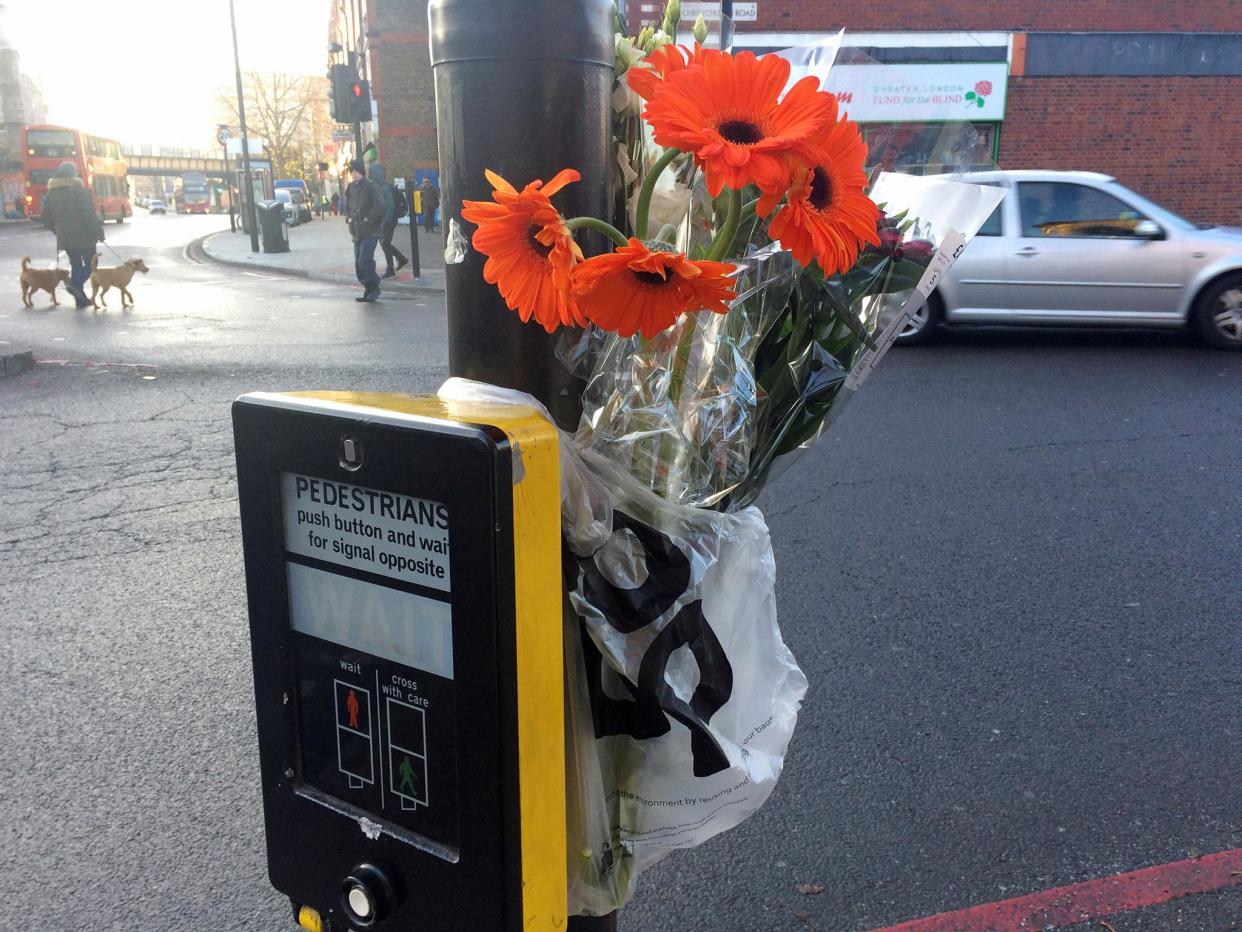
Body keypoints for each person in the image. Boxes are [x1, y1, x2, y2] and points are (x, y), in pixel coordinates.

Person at [41, 161, 103, 309]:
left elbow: (46, 217)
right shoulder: (80, 191)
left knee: (76, 265)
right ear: (74, 174)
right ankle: (74, 284)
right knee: (91, 264)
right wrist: (98, 231)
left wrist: (58, 231)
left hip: (66, 238)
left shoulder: (51, 194)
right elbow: (88, 214)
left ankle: (80, 300)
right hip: (85, 236)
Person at [344, 158, 385, 302]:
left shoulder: (371, 186)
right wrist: (348, 216)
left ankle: (375, 286)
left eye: (356, 171)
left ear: (362, 171)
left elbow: (380, 204)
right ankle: (369, 288)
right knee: (358, 264)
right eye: (352, 171)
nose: (354, 174)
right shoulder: (351, 188)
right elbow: (348, 205)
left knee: (364, 260)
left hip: (370, 230)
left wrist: (369, 217)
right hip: (356, 231)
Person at [368, 162, 408, 279]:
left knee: (384, 243)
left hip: (388, 220)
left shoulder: (384, 188)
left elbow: (390, 206)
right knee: (385, 243)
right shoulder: (380, 186)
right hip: (385, 220)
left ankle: (391, 269)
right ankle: (401, 259)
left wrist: (385, 222)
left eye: (371, 173)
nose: (370, 175)